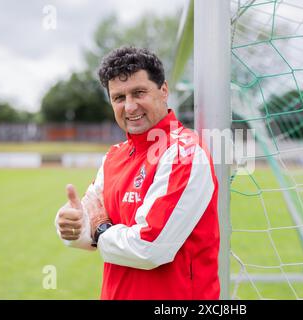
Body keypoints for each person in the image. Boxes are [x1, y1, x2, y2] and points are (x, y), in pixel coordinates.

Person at [55, 46, 220, 300]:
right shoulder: (114, 156)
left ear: (163, 91)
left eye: (139, 92)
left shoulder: (185, 153)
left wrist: (99, 229)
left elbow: (150, 247)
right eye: (119, 98)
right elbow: (89, 218)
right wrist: (71, 225)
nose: (129, 107)